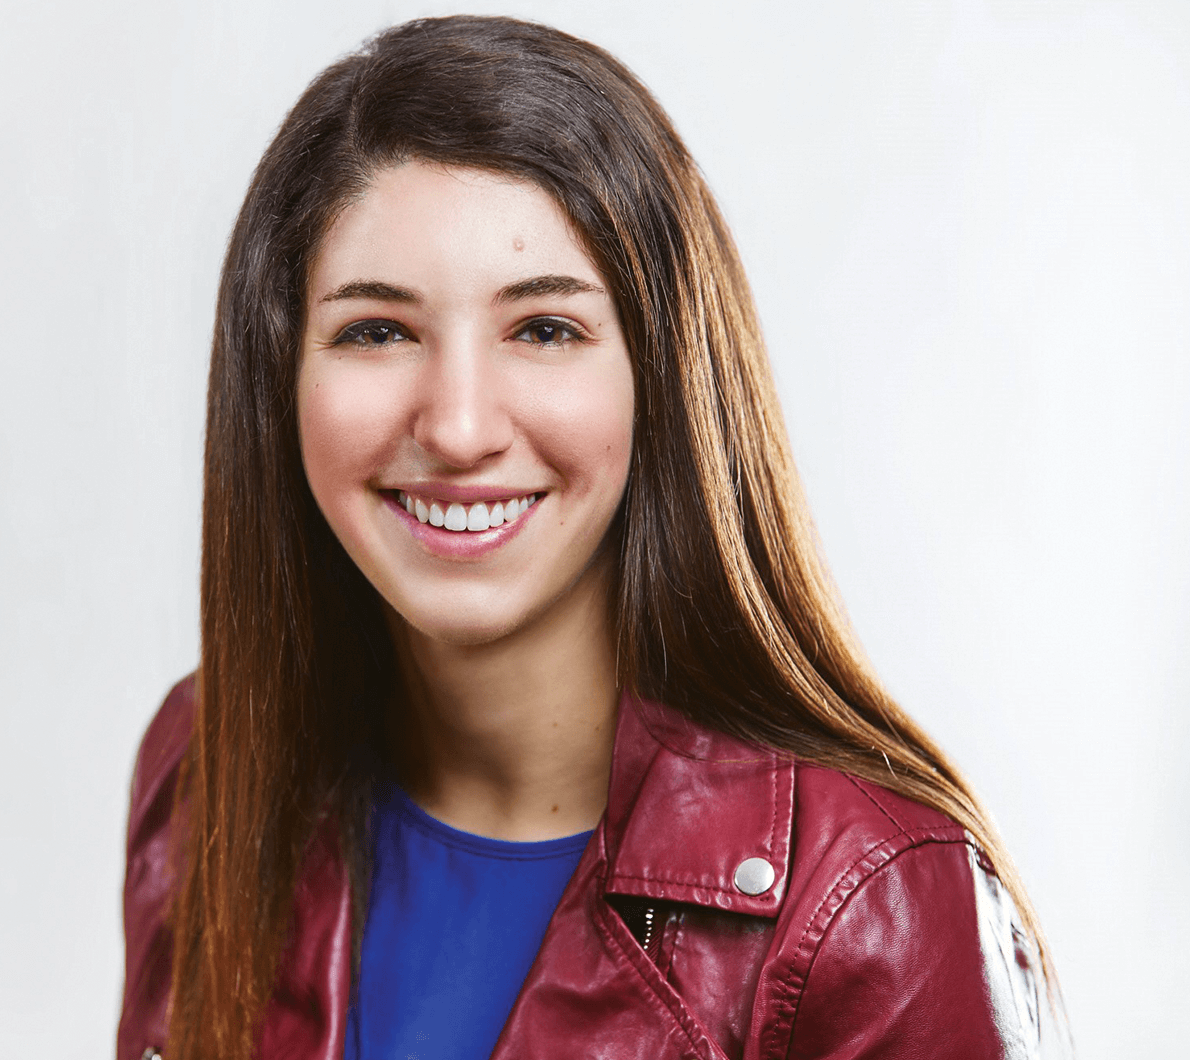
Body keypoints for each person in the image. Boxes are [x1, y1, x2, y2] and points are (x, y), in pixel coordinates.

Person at [117, 15, 1061, 1060]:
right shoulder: (206, 771)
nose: (459, 426)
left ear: (661, 374)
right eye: (375, 330)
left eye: (544, 329)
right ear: (279, 377)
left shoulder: (875, 901)